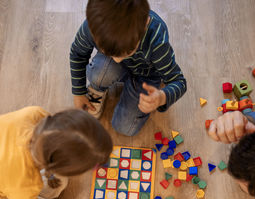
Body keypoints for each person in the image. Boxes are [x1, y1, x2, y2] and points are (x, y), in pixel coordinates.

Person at [70, 0, 187, 136]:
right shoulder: (94, 26)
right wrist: (78, 92)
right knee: (100, 74)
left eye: (127, 52)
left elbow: (179, 81)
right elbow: (77, 53)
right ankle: (98, 88)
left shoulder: (156, 40)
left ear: (145, 25)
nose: (117, 59)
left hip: (146, 75)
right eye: (108, 52)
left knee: (125, 127)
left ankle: (129, 85)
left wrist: (161, 97)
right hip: (117, 68)